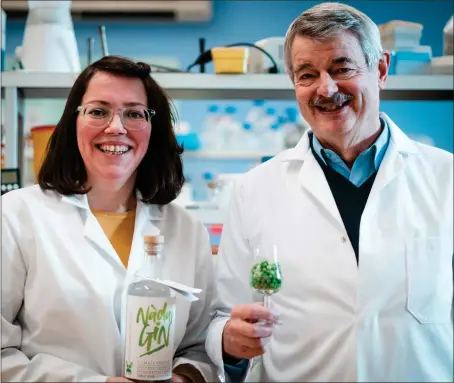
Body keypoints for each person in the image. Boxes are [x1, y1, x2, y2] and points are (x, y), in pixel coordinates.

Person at [206, 3, 453, 382]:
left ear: (381, 70)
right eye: (307, 74)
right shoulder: (255, 188)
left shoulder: (446, 177)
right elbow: (224, 315)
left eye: (342, 68)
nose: (326, 88)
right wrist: (227, 337)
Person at [2, 56, 218, 383]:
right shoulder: (17, 216)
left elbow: (201, 346)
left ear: (152, 129)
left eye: (133, 113)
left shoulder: (186, 230)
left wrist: (185, 377)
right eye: (98, 111)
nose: (116, 128)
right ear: (72, 122)